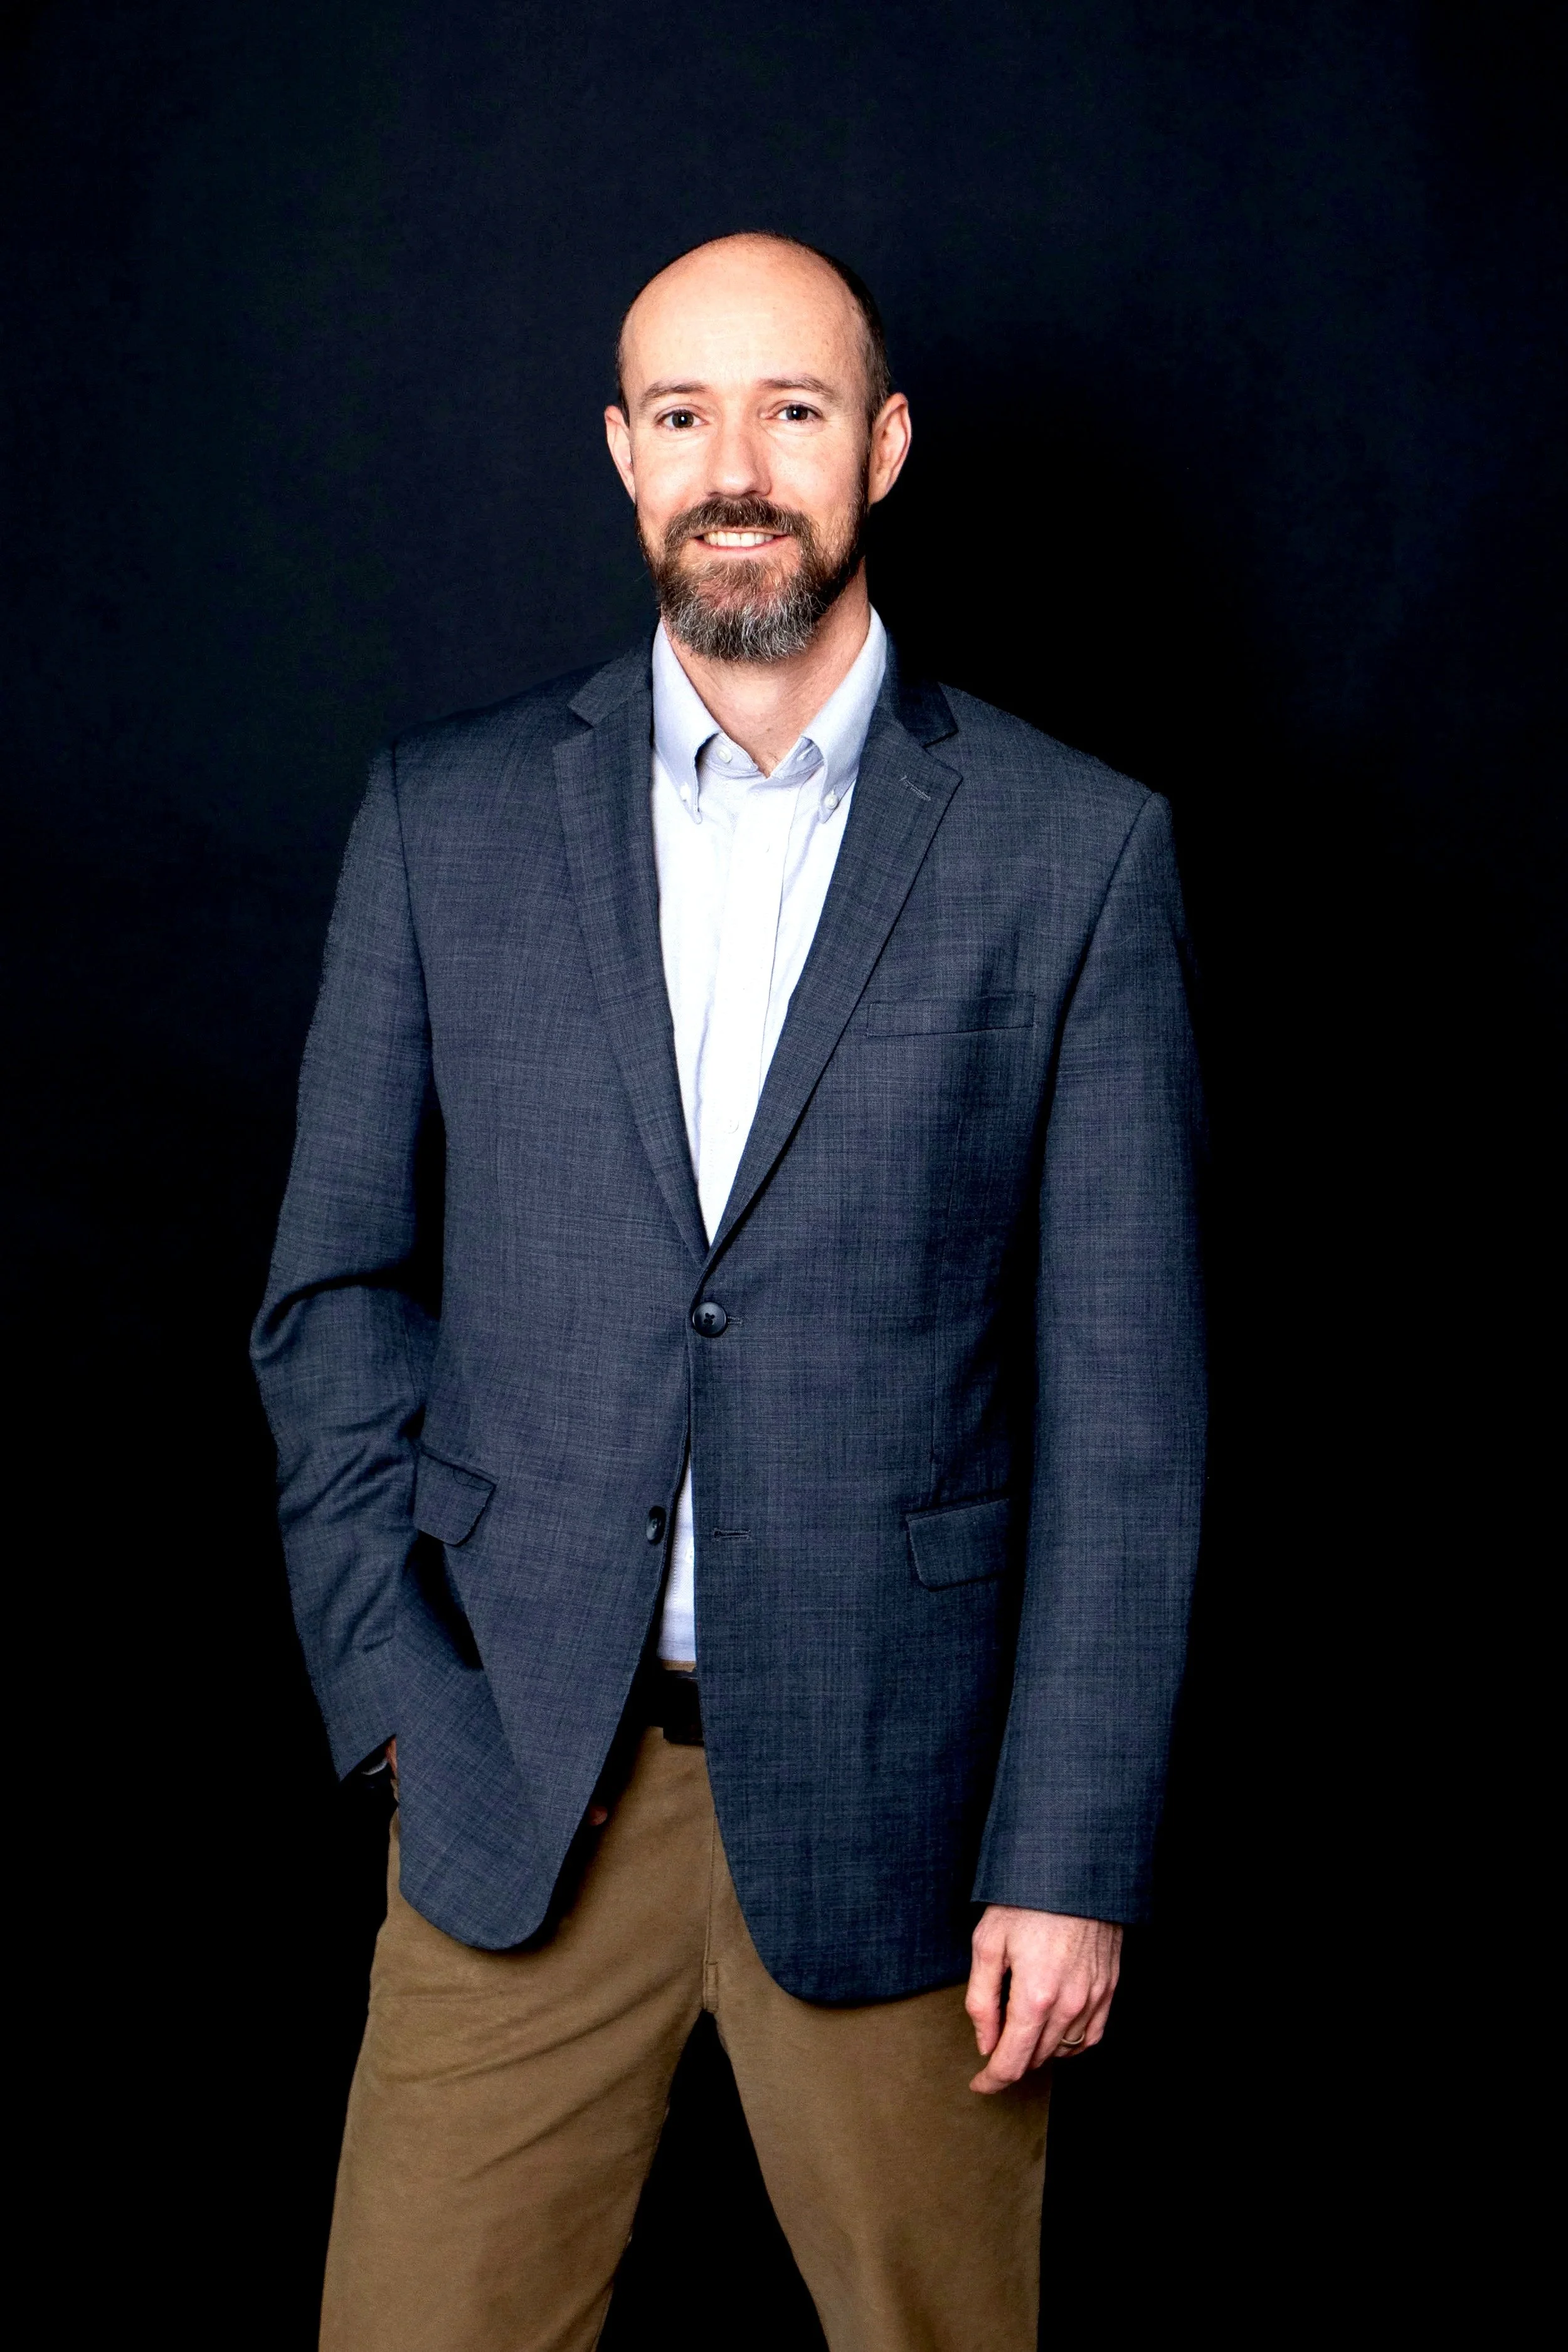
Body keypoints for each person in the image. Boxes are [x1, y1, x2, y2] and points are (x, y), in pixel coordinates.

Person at [252, 230, 1206, 2352]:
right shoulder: (443, 821)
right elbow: (332, 1299)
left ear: (877, 445)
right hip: (518, 1797)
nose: (735, 463)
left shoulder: (1073, 851)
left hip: (912, 1827)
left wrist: (1069, 1847)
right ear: (620, 454)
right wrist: (408, 1707)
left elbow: (1128, 1411)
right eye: (682, 414)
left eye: (789, 409)